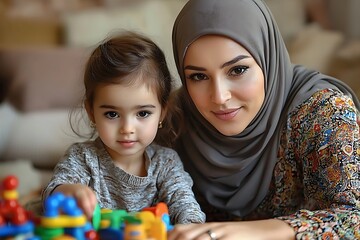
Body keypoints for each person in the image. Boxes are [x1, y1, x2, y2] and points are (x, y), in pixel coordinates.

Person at [162, 0, 360, 239]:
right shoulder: (174, 117)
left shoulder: (323, 111)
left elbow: (352, 217)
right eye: (198, 76)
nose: (220, 97)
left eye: (237, 70)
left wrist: (252, 232)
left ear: (267, 58)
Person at [41, 31, 205, 224]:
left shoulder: (166, 163)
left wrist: (189, 227)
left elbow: (185, 204)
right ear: (92, 112)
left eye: (142, 113)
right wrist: (69, 192)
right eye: (112, 114)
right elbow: (53, 194)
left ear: (162, 112)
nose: (127, 128)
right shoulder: (82, 158)